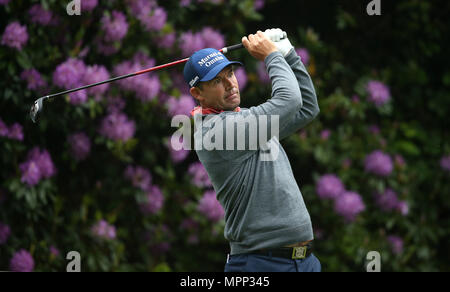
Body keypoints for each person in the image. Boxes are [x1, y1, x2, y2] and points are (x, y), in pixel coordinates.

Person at [183, 28, 321, 272]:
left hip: (305, 262)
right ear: (197, 94)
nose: (230, 84)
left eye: (231, 73)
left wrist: (288, 53)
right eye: (217, 81)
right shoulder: (214, 132)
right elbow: (289, 101)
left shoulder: (245, 119)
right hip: (261, 265)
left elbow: (307, 108)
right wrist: (272, 55)